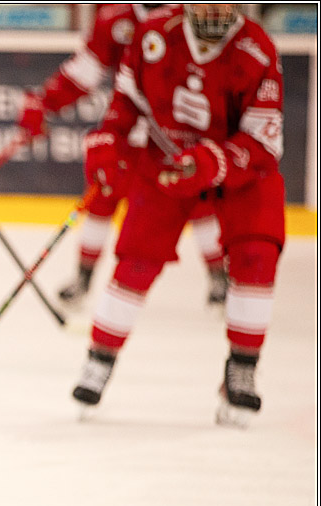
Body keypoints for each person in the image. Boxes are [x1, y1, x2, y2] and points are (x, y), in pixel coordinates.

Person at [70, 4, 285, 427]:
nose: (216, 8)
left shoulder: (257, 49)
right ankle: (99, 359)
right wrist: (107, 142)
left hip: (241, 171)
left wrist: (212, 161)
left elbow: (263, 142)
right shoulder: (153, 34)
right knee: (135, 260)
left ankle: (242, 365)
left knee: (257, 256)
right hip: (165, 163)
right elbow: (125, 104)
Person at [17, 3, 228, 309]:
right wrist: (44, 101)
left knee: (198, 200)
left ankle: (219, 275)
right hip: (127, 128)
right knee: (102, 195)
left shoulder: (190, 17)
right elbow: (85, 71)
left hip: (180, 130)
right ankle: (83, 278)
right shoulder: (115, 19)